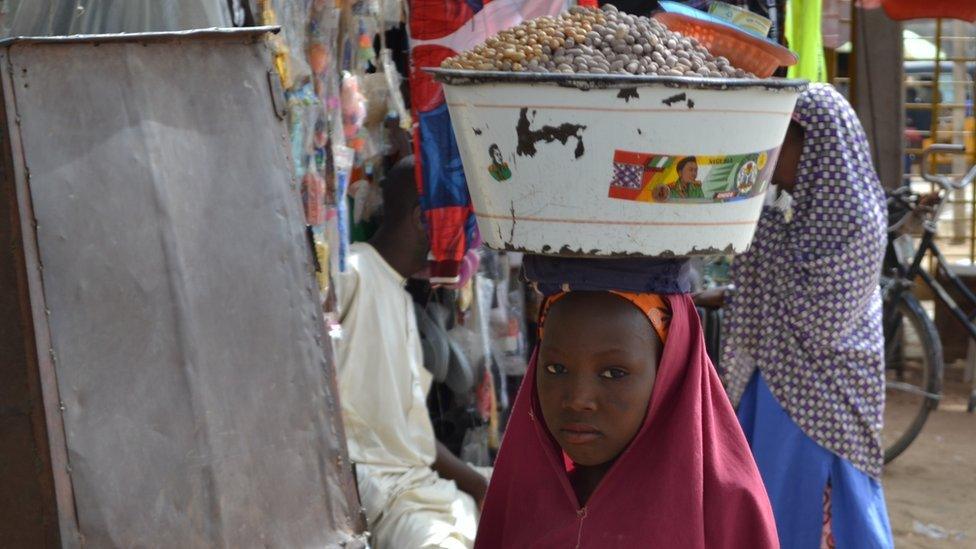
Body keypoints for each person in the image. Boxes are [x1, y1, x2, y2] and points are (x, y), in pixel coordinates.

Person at [701, 84, 894, 548]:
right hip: (773, 388)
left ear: (816, 147)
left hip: (819, 400)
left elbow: (819, 320)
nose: (766, 158)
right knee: (766, 503)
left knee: (814, 510)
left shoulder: (853, 221)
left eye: (777, 142)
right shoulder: (793, 211)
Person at [476, 256, 778, 548]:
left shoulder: (726, 512)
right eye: (556, 369)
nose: (578, 399)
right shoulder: (520, 504)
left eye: (613, 373)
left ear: (669, 375)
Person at [334, 156, 489, 549]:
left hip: (419, 490)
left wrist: (481, 485)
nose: (466, 238)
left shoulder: (398, 297)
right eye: (460, 223)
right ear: (424, 218)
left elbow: (410, 438)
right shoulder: (353, 272)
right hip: (384, 496)